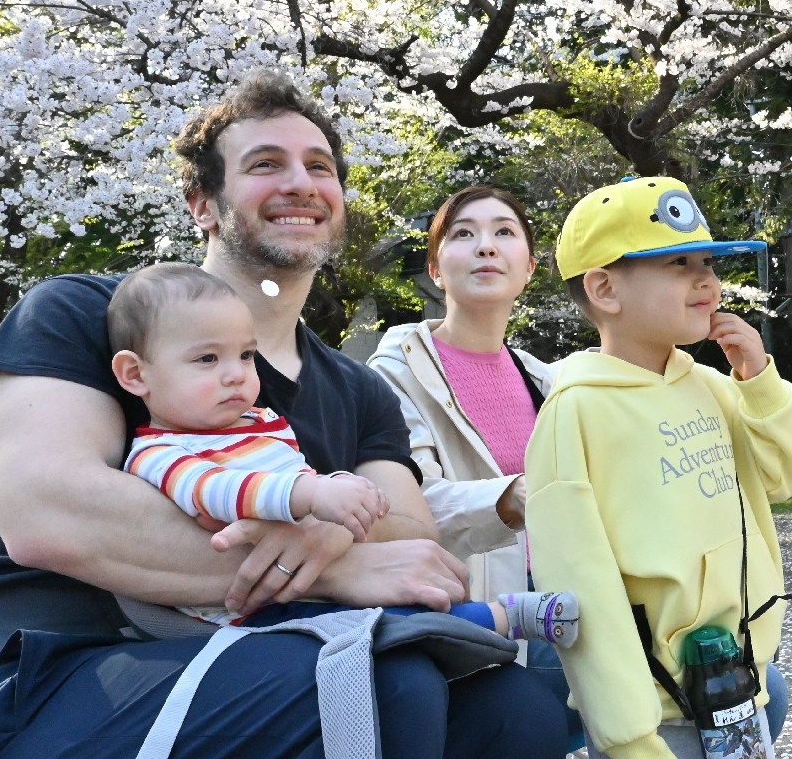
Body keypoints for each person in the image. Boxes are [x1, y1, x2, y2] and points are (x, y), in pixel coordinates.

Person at [0, 71, 567, 759]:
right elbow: (46, 511)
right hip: (68, 682)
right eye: (265, 165)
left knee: (517, 715)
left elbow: (414, 540)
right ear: (204, 204)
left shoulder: (359, 391)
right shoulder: (84, 314)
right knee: (376, 679)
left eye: (319, 167)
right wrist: (330, 566)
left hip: (276, 656)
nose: (300, 182)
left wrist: (336, 536)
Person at [114, 260, 578, 643]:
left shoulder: (260, 424)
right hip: (244, 612)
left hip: (309, 574)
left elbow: (299, 475)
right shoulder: (157, 450)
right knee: (380, 633)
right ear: (136, 375)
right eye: (207, 359)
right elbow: (214, 490)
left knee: (403, 603)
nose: (235, 374)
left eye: (246, 355)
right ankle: (501, 618)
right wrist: (312, 494)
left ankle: (499, 619)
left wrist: (339, 493)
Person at [525, 175, 792, 759]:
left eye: (708, 263)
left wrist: (759, 383)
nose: (707, 281)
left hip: (736, 683)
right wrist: (628, 734)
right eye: (678, 264)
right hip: (653, 710)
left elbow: (782, 479)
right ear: (604, 288)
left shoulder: (712, 385)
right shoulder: (576, 411)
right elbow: (578, 582)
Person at [368, 185, 584, 731]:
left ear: (530, 267)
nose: (486, 246)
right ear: (436, 269)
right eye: (463, 234)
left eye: (504, 232)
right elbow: (406, 509)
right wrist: (511, 496)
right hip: (470, 625)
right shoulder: (393, 374)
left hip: (565, 606)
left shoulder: (548, 381)